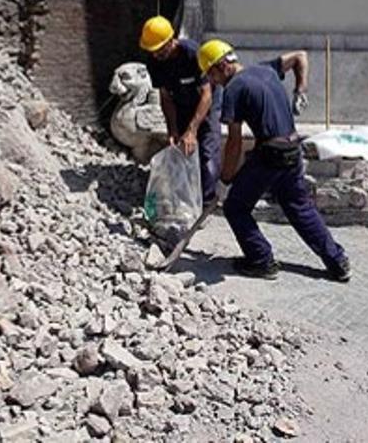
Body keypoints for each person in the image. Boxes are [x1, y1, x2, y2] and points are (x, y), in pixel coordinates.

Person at [198, 39, 350, 282]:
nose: (213, 82)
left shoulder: (234, 89)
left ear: (222, 65)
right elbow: (300, 56)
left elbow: (234, 143)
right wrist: (300, 89)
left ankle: (261, 261)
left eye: (212, 75)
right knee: (299, 207)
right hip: (292, 149)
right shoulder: (265, 69)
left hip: (270, 155)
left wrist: (224, 181)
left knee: (235, 207)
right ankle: (338, 262)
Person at [138, 16, 221, 206]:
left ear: (170, 40)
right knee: (182, 150)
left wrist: (192, 131)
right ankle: (186, 199)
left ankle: (207, 203)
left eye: (159, 49)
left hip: (205, 103)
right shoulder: (154, 62)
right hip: (180, 102)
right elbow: (165, 97)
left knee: (207, 155)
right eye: (152, 51)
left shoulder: (192, 54)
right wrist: (173, 130)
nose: (156, 54)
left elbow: (207, 94)